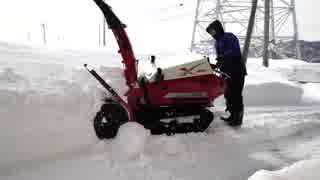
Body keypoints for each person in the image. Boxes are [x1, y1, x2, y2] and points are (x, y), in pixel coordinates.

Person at [206, 20, 247, 126]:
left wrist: (223, 57)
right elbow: (221, 59)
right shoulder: (217, 43)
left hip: (237, 70)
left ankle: (238, 118)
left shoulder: (229, 37)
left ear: (218, 29)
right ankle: (232, 115)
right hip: (226, 72)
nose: (212, 34)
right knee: (228, 94)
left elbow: (235, 51)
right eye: (210, 33)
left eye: (213, 32)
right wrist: (216, 65)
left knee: (236, 94)